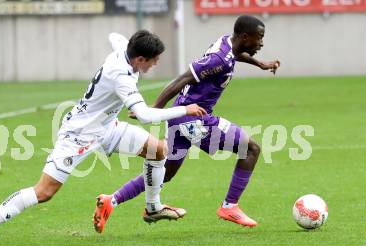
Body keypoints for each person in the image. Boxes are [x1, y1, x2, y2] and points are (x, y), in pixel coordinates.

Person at [0, 30, 207, 246]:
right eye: (154, 60)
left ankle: (153, 208)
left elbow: (114, 36)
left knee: (158, 150)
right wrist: (185, 109)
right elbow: (144, 115)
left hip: (107, 128)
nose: (157, 63)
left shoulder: (125, 52)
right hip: (79, 135)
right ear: (139, 59)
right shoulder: (120, 76)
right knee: (44, 192)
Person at [93, 15, 281, 233]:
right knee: (251, 149)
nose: (261, 43)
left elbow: (237, 54)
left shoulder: (228, 44)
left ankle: (111, 201)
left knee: (166, 172)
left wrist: (260, 64)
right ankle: (230, 206)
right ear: (245, 36)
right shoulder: (218, 59)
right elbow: (181, 80)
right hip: (194, 117)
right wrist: (155, 108)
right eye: (259, 38)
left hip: (181, 118)